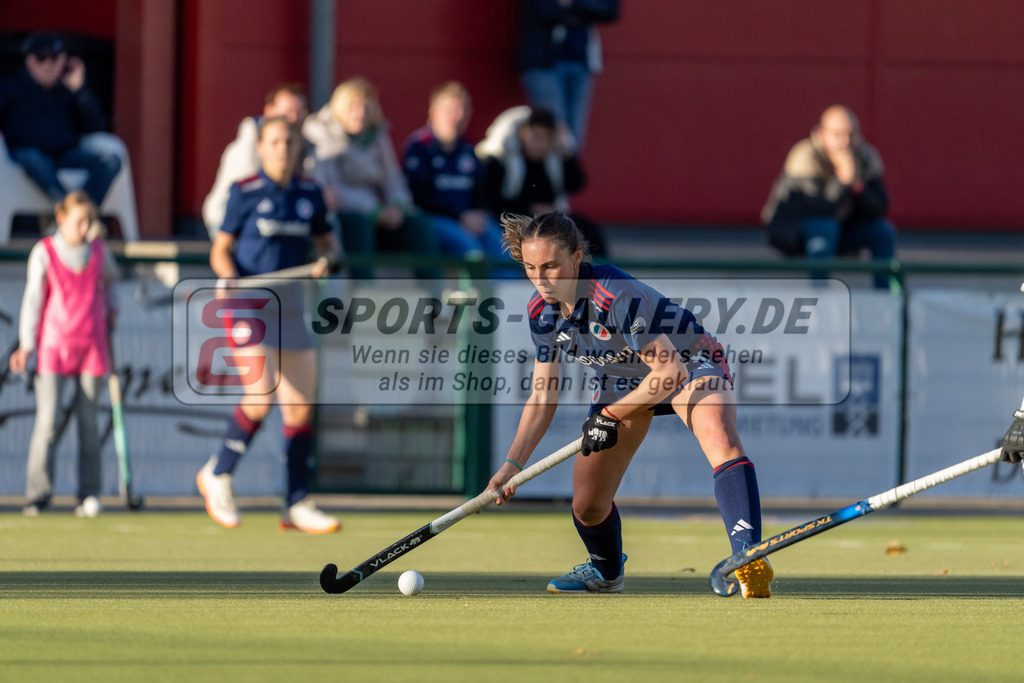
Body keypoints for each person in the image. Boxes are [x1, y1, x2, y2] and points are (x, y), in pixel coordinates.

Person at [484, 211, 772, 597]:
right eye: (531, 268)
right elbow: (542, 395)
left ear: (576, 257)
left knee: (719, 436)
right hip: (621, 382)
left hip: (687, 360)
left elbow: (669, 372)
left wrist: (610, 414)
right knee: (588, 505)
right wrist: (512, 466)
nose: (541, 279)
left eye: (551, 266)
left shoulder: (613, 293)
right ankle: (606, 573)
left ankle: (747, 555)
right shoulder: (542, 312)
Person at [201, 116, 342, 534]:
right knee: (260, 392)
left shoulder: (310, 194)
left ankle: (296, 503)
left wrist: (326, 260)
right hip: (247, 303)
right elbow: (220, 250)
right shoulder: (244, 191)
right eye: (275, 142)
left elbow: (327, 244)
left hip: (290, 305)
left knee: (299, 405)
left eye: (289, 142)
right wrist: (228, 275)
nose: (283, 149)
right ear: (261, 147)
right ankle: (218, 473)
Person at [10, 191, 119, 518]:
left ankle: (89, 493)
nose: (85, 228)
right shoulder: (44, 251)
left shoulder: (98, 251)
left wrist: (113, 309)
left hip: (92, 347)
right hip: (55, 347)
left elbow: (111, 282)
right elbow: (33, 299)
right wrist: (26, 344)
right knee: (48, 423)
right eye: (79, 221)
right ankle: (38, 495)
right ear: (61, 219)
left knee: (89, 424)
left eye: (89, 221)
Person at [303, 77, 437, 280]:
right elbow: (330, 189)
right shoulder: (322, 136)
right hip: (347, 213)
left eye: (365, 107)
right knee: (359, 225)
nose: (360, 114)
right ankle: (362, 289)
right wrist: (374, 210)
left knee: (420, 225)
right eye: (353, 108)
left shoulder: (377, 136)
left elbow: (393, 178)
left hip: (380, 211)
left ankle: (433, 292)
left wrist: (397, 205)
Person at [761, 105, 897, 289]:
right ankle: (820, 295)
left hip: (842, 232)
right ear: (822, 134)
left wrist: (857, 187)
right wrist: (842, 180)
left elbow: (880, 207)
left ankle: (887, 295)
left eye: (851, 134)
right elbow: (817, 207)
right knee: (824, 226)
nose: (845, 141)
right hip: (796, 233)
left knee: (883, 231)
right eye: (837, 134)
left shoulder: (866, 156)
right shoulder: (805, 155)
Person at [0, 32, 121, 207]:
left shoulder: (69, 89)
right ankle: (71, 211)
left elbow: (96, 127)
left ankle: (76, 212)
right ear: (30, 61)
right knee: (33, 159)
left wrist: (80, 91)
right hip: (27, 153)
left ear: (63, 60)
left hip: (65, 153)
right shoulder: (10, 88)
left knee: (111, 160)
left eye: (54, 58)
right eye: (42, 58)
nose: (49, 64)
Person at [477, 105, 606, 256]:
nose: (540, 143)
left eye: (546, 137)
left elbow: (576, 184)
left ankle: (596, 270)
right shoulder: (502, 159)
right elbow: (495, 202)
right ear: (522, 133)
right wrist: (531, 209)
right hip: (513, 219)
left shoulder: (554, 159)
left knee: (588, 231)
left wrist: (567, 152)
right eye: (535, 136)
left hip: (551, 217)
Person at [402, 81, 506, 262]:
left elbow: (480, 193)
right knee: (473, 253)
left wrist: (477, 214)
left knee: (506, 251)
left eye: (462, 110)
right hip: (435, 220)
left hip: (470, 219)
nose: (457, 116)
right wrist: (459, 216)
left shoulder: (468, 149)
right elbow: (419, 198)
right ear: (433, 112)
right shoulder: (419, 147)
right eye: (450, 110)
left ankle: (506, 282)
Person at [202, 83, 310, 240]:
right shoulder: (245, 147)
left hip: (278, 216)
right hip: (230, 220)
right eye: (288, 111)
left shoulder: (307, 145)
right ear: (269, 111)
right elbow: (245, 197)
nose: (294, 118)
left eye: (299, 112)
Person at [517, 0, 620, 154]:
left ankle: (567, 168)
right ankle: (552, 169)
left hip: (581, 61)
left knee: (573, 139)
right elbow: (547, 10)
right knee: (554, 131)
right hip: (544, 63)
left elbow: (609, 9)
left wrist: (573, 5)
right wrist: (581, 10)